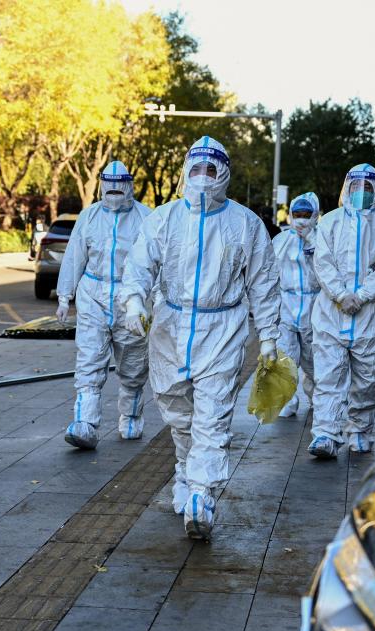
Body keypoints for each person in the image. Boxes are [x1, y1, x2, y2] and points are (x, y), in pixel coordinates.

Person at [120, 136, 281, 540]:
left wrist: (269, 337)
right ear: (185, 172)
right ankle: (186, 472)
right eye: (197, 169)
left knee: (213, 417)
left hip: (222, 330)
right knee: (179, 415)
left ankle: (201, 498)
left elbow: (263, 283)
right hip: (170, 328)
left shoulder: (246, 224)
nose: (204, 178)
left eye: (212, 170)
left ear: (224, 173)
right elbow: (139, 267)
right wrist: (135, 302)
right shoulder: (163, 219)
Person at [308, 164, 375, 459]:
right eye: (356, 186)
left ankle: (360, 430)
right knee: (328, 375)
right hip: (331, 313)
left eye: (367, 187)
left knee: (369, 377)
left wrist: (362, 296)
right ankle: (325, 434)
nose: (361, 192)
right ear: (346, 188)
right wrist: (340, 294)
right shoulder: (330, 223)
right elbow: (322, 262)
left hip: (371, 315)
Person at [55, 161, 152, 448]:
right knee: (89, 358)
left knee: (133, 364)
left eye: (118, 185)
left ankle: (131, 417)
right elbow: (75, 256)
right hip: (93, 294)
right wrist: (64, 295)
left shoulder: (146, 218)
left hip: (131, 296)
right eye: (107, 185)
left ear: (128, 185)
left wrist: (154, 299)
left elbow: (156, 261)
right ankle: (85, 424)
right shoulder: (90, 216)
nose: (112, 191)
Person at [272, 192, 321, 418]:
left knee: (314, 359)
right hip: (286, 306)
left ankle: (318, 398)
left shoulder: (323, 241)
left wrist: (313, 244)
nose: (301, 220)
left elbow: (328, 270)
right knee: (286, 356)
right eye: (297, 214)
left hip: (315, 305)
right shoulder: (281, 241)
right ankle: (287, 401)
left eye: (306, 214)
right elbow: (269, 274)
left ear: (315, 215)